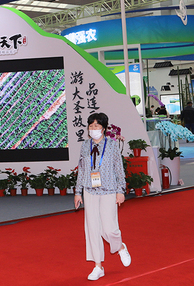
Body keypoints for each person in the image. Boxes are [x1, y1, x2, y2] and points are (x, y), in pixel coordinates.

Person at [74, 112, 130, 281]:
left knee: (109, 228)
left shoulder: (112, 145)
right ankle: (98, 266)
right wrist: (77, 192)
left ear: (104, 128)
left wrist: (121, 190)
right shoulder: (85, 145)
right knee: (92, 229)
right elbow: (82, 169)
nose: (93, 129)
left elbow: (119, 168)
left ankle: (120, 247)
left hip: (109, 190)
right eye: (91, 126)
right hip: (89, 190)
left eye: (97, 126)